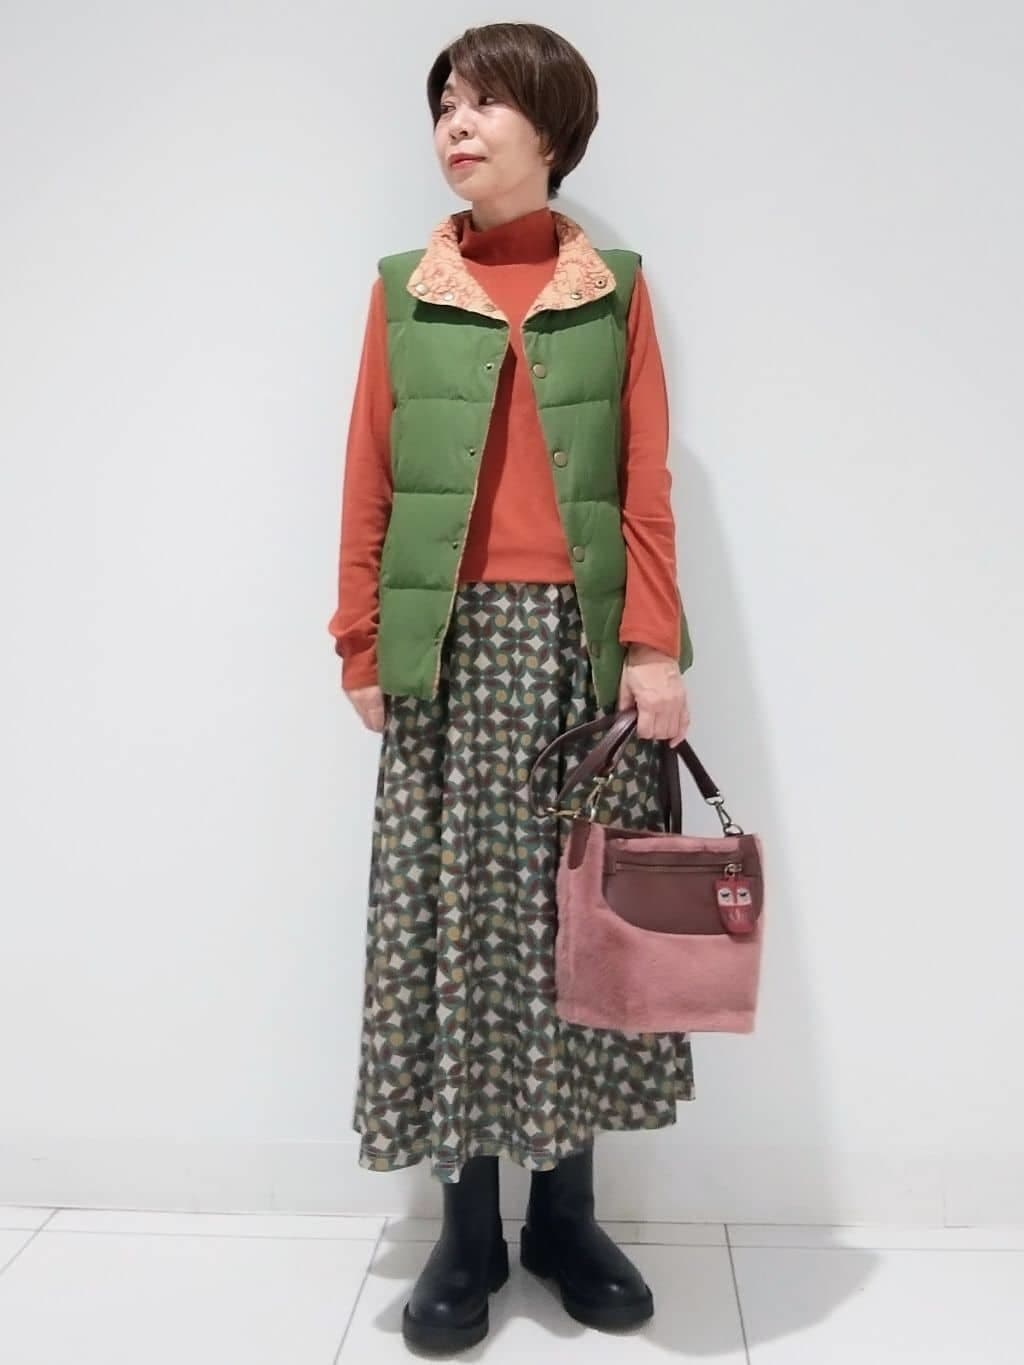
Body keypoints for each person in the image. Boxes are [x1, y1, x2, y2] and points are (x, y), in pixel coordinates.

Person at [327, 21, 697, 1353]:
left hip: (581, 657)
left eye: (485, 100)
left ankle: (568, 1218)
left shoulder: (617, 289)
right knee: (460, 934)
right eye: (445, 101)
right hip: (447, 654)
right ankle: (468, 1227)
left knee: (579, 933)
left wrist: (653, 646)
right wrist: (359, 639)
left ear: (553, 127)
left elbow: (643, 481)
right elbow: (369, 471)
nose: (456, 122)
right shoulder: (402, 290)